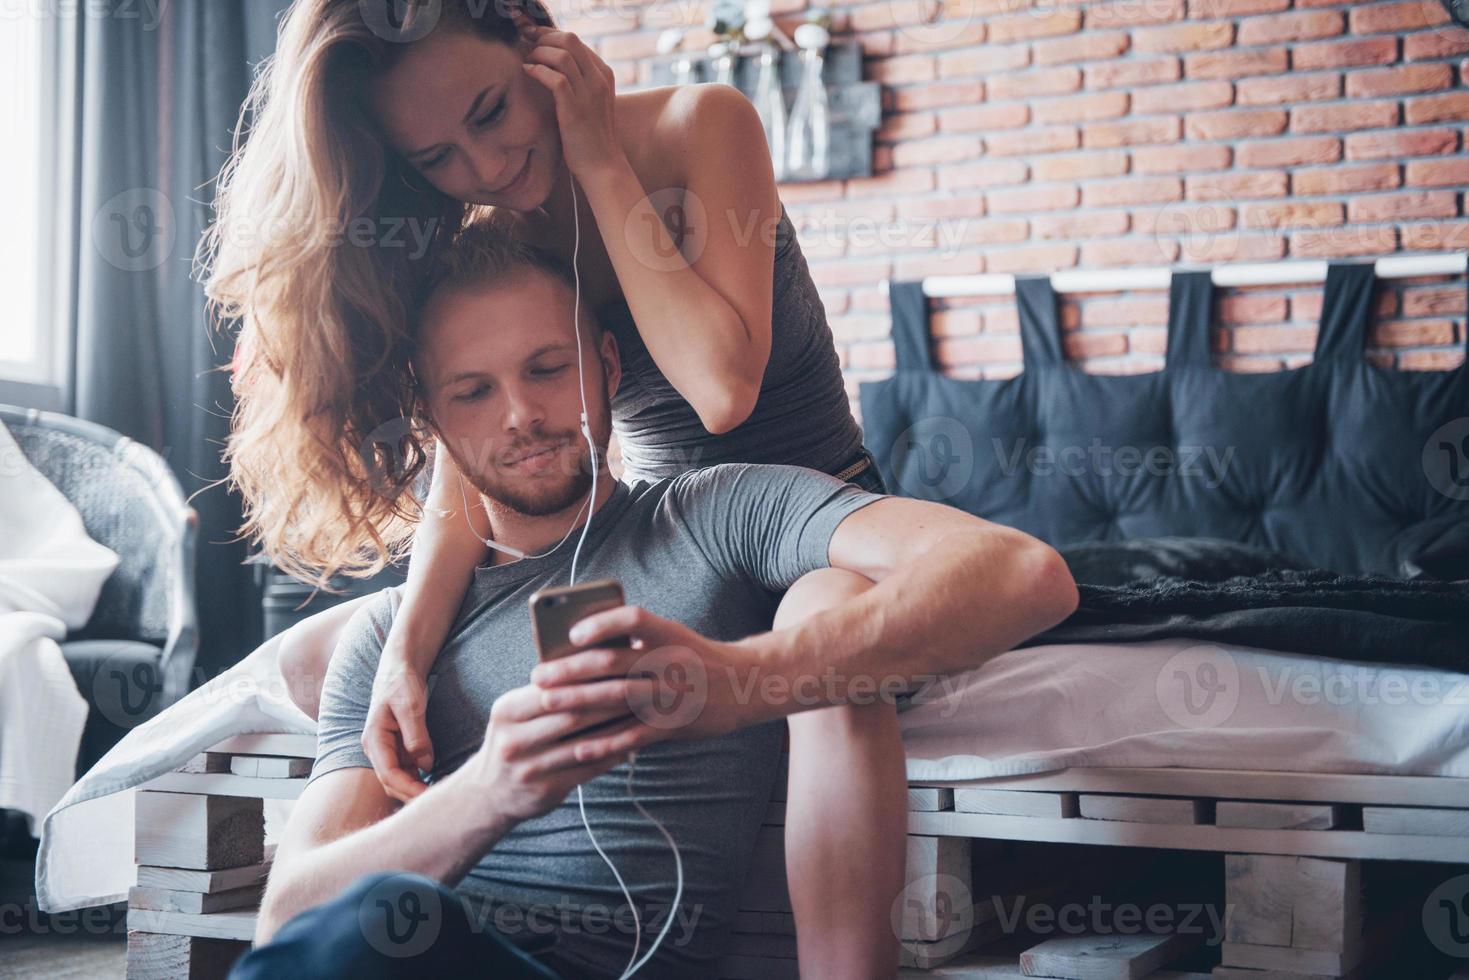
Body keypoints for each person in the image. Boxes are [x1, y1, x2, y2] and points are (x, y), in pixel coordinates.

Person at [202, 1, 913, 971]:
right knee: (352, 642)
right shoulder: (487, 222)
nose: (483, 170)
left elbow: (719, 389)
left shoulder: (698, 125)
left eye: (491, 113)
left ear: (537, 42)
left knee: (827, 626)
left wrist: (594, 152)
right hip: (660, 535)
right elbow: (483, 446)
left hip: (797, 512)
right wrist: (408, 648)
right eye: (437, 159)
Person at [230, 221, 1079, 979]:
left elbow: (1020, 572)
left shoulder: (717, 516)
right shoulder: (390, 646)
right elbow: (288, 925)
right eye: (474, 391)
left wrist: (732, 682)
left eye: (548, 368)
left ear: (604, 365)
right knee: (367, 929)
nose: (522, 414)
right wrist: (490, 788)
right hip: (430, 951)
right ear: (436, 423)